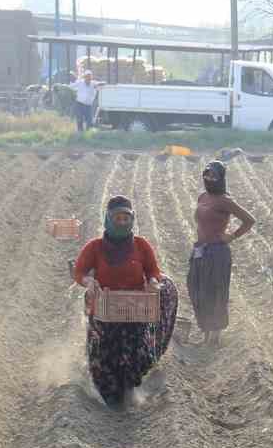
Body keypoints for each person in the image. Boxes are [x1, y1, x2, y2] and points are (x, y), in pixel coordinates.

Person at [71, 196, 179, 405]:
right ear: (108, 219)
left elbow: (153, 271)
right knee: (103, 360)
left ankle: (129, 395)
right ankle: (108, 399)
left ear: (132, 220)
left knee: (134, 358)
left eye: (126, 218)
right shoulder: (94, 247)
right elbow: (79, 272)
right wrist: (89, 282)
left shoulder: (141, 245)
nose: (122, 222)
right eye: (117, 218)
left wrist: (153, 283)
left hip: (134, 310)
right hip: (104, 311)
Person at [188, 160, 255, 348]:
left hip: (217, 252)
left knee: (215, 293)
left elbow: (249, 220)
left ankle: (215, 335)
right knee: (197, 290)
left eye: (213, 175)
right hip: (200, 250)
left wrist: (232, 236)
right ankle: (206, 331)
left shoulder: (225, 200)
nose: (209, 178)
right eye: (207, 174)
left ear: (221, 178)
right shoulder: (203, 197)